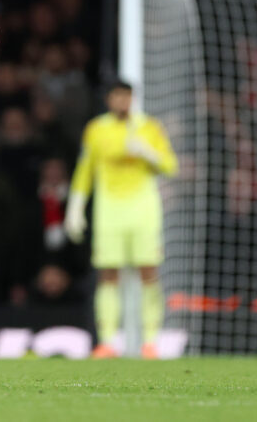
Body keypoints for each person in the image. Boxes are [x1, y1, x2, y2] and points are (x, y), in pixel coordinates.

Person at [64, 80, 177, 359]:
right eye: (117, 97)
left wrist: (148, 152)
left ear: (132, 98)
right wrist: (75, 207)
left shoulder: (149, 127)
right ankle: (108, 342)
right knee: (108, 273)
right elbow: (85, 169)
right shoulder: (97, 129)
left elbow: (170, 166)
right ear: (109, 99)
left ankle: (150, 342)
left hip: (143, 208)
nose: (122, 102)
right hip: (109, 209)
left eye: (126, 97)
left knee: (148, 271)